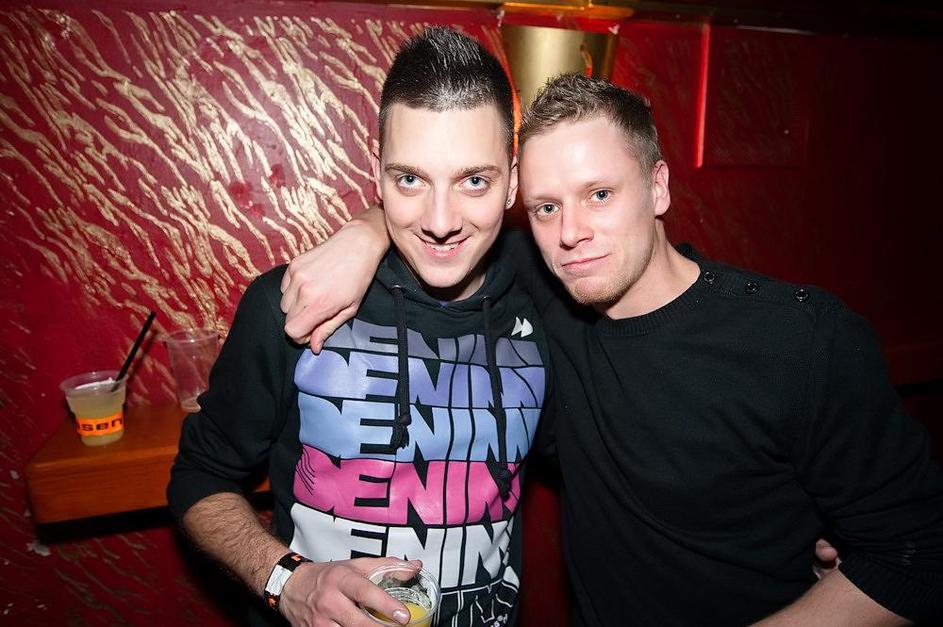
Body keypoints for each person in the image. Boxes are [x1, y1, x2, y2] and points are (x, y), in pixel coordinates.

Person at [279, 73, 943, 625]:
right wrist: (363, 234)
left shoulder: (798, 339)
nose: (571, 232)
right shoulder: (542, 293)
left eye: (599, 194)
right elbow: (438, 215)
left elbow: (918, 556)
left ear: (658, 187)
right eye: (545, 207)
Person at [168, 28, 551, 627]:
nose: (441, 221)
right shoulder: (296, 304)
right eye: (410, 180)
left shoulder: (551, 307)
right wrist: (287, 580)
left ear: (514, 180)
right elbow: (198, 477)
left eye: (474, 180)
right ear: (377, 175)